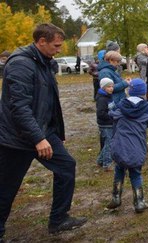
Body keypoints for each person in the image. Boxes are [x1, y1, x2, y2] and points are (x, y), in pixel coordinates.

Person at [0, 23, 87, 238]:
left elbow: (49, 102)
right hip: (16, 138)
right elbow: (19, 108)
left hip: (42, 131)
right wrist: (38, 138)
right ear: (41, 42)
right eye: (56, 45)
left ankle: (59, 219)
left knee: (66, 166)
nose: (59, 50)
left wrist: (56, 134)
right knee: (7, 186)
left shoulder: (44, 62)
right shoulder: (21, 65)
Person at [106, 79, 148, 213]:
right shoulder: (145, 109)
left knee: (119, 169)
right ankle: (139, 201)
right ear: (143, 92)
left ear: (130, 91)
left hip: (120, 146)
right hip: (136, 147)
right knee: (135, 173)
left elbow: (111, 115)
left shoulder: (121, 105)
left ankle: (116, 196)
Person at [96, 78, 116, 170]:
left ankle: (100, 160)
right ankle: (107, 164)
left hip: (109, 123)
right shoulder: (102, 99)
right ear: (104, 88)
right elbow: (101, 113)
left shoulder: (109, 96)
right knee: (109, 144)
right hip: (106, 125)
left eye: (112, 86)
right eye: (108, 87)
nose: (111, 88)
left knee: (107, 144)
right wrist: (111, 117)